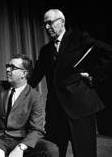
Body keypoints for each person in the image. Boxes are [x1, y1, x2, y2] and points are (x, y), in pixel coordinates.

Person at [29, 9, 112, 157]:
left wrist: (93, 74)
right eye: (44, 24)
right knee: (53, 152)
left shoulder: (79, 39)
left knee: (84, 153)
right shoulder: (45, 51)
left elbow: (108, 52)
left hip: (80, 108)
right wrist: (14, 89)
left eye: (50, 23)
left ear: (62, 22)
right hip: (55, 112)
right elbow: (35, 78)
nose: (47, 27)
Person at [0, 54, 59, 157]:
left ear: (24, 73)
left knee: (51, 149)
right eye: (8, 66)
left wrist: (21, 147)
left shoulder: (35, 96)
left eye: (12, 67)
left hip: (21, 139)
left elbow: (37, 129)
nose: (8, 69)